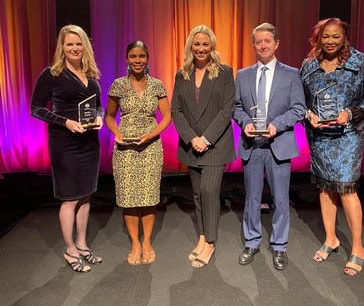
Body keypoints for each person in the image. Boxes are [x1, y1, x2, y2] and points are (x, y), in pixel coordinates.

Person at [300, 18, 364, 276]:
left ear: (344, 37)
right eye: (326, 37)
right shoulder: (309, 64)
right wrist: (308, 114)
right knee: (325, 188)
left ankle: (358, 247)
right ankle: (331, 238)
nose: (330, 41)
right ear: (318, 38)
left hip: (348, 135)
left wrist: (352, 112)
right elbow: (300, 100)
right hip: (320, 135)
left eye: (336, 36)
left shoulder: (360, 61)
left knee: (346, 189)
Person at [31, 24, 103, 273]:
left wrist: (100, 117)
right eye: (69, 44)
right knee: (70, 198)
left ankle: (83, 245)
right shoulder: (51, 74)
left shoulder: (91, 74)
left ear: (85, 46)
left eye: (78, 43)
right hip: (65, 143)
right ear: (62, 47)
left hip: (90, 142)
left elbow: (98, 106)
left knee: (86, 195)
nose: (74, 48)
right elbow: (36, 108)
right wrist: (66, 122)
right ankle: (69, 248)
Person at [234, 22, 306, 270]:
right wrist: (245, 123)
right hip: (252, 144)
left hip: (279, 143)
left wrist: (277, 124)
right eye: (258, 41)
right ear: (253, 45)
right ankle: (252, 241)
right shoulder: (242, 74)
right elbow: (237, 107)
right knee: (252, 197)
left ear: (276, 44)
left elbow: (298, 109)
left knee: (281, 199)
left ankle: (279, 246)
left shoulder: (292, 74)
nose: (263, 45)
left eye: (267, 41)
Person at [171, 25, 236, 269]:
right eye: (196, 44)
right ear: (191, 46)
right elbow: (176, 110)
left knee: (209, 191)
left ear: (212, 46)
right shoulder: (182, 74)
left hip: (215, 145)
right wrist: (191, 138)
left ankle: (210, 241)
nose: (200, 48)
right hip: (191, 146)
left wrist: (205, 139)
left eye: (205, 44)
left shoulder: (225, 72)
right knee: (198, 194)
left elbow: (226, 110)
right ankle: (201, 236)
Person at [105, 41, 171, 266]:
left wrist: (152, 134)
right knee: (129, 198)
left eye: (142, 56)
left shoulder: (157, 85)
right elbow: (109, 117)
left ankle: (147, 243)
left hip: (151, 148)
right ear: (126, 59)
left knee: (149, 197)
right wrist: (116, 133)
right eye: (133, 56)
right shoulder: (118, 85)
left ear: (147, 58)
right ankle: (135, 243)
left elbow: (167, 118)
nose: (138, 60)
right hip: (125, 149)